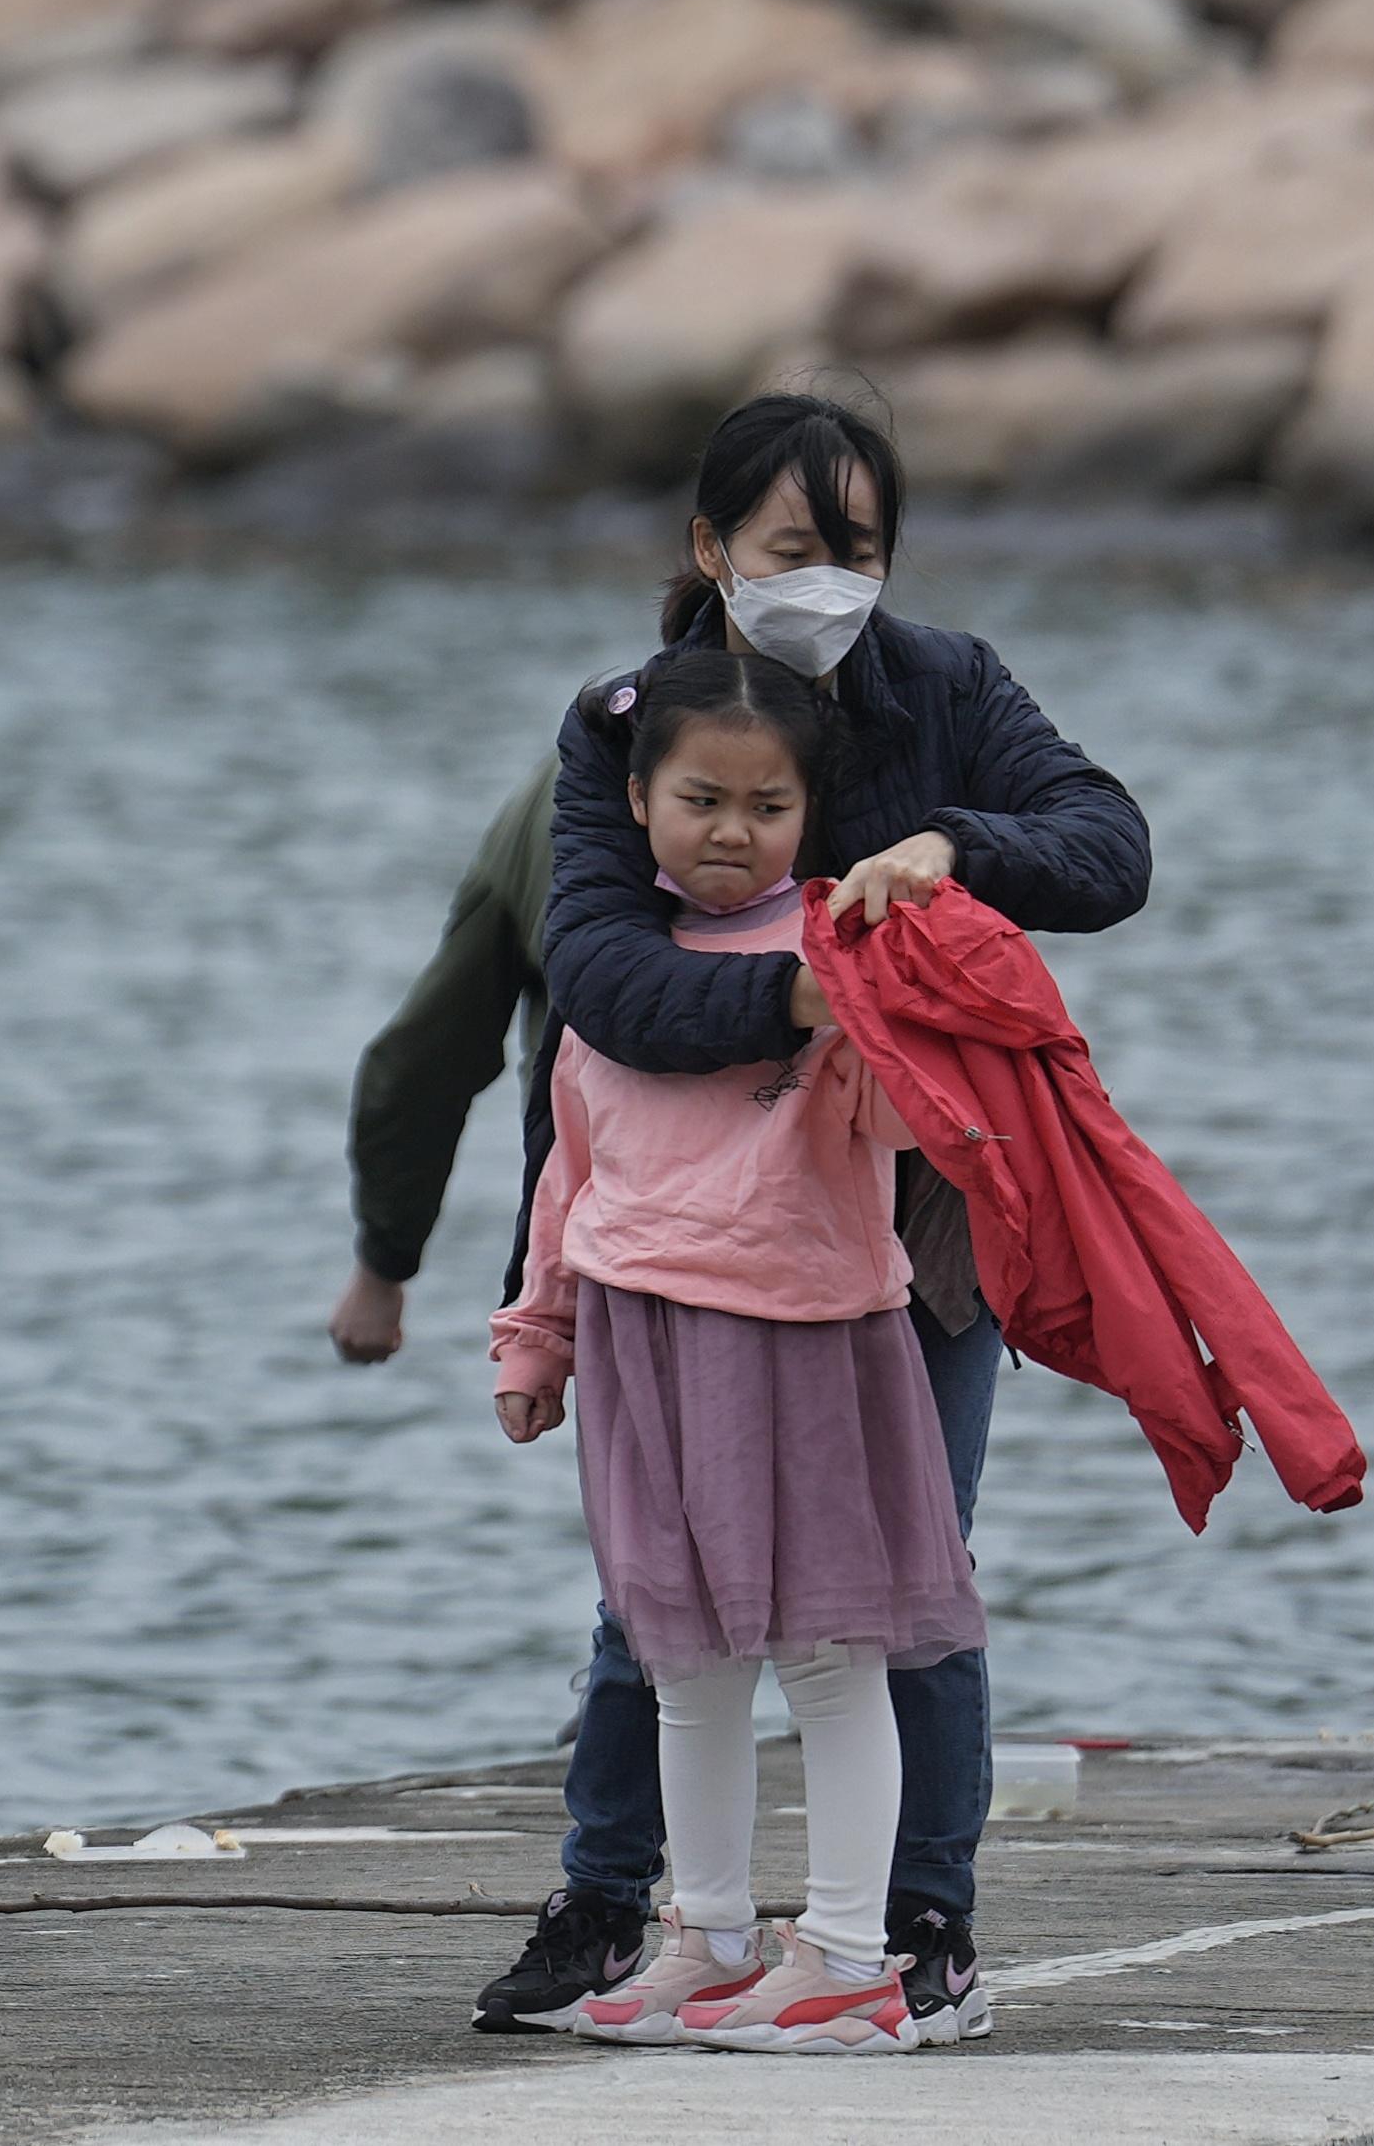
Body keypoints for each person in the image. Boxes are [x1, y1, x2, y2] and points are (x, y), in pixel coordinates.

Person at [473, 387, 1149, 2049]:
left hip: (907, 1232)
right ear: (711, 552)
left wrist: (948, 847)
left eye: (858, 549)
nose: (829, 580)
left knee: (906, 1586)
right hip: (671, 1225)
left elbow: (1106, 846)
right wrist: (815, 997)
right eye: (793, 548)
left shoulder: (943, 687)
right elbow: (602, 987)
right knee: (656, 1600)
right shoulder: (631, 722)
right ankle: (612, 1905)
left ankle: (916, 1930)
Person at [489, 644, 985, 2053]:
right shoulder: (614, 970)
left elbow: (914, 1131)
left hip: (810, 1342)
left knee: (831, 1654)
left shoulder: (836, 950)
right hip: (645, 1341)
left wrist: (890, 1005)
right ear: (634, 799)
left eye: (765, 805)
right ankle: (703, 1933)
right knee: (680, 1655)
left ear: (807, 818)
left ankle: (842, 1949)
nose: (728, 828)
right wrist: (536, 1337)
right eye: (698, 795)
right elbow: (565, 1178)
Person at [327, 760, 552, 1366]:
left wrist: (383, 1264)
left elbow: (425, 1058)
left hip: (608, 1235)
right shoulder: (825, 750)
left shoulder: (575, 769)